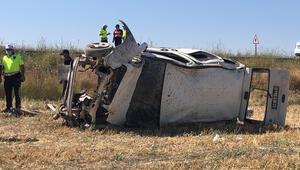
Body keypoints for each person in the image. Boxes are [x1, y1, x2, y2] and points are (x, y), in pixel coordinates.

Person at [0, 45, 25, 113]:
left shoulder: (17, 56)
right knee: (8, 93)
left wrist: (23, 75)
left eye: (10, 49)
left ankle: (17, 108)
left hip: (16, 76)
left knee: (17, 93)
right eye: (7, 50)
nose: (8, 51)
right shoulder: (4, 58)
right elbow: (2, 67)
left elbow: (22, 66)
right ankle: (8, 108)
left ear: (13, 50)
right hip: (7, 77)